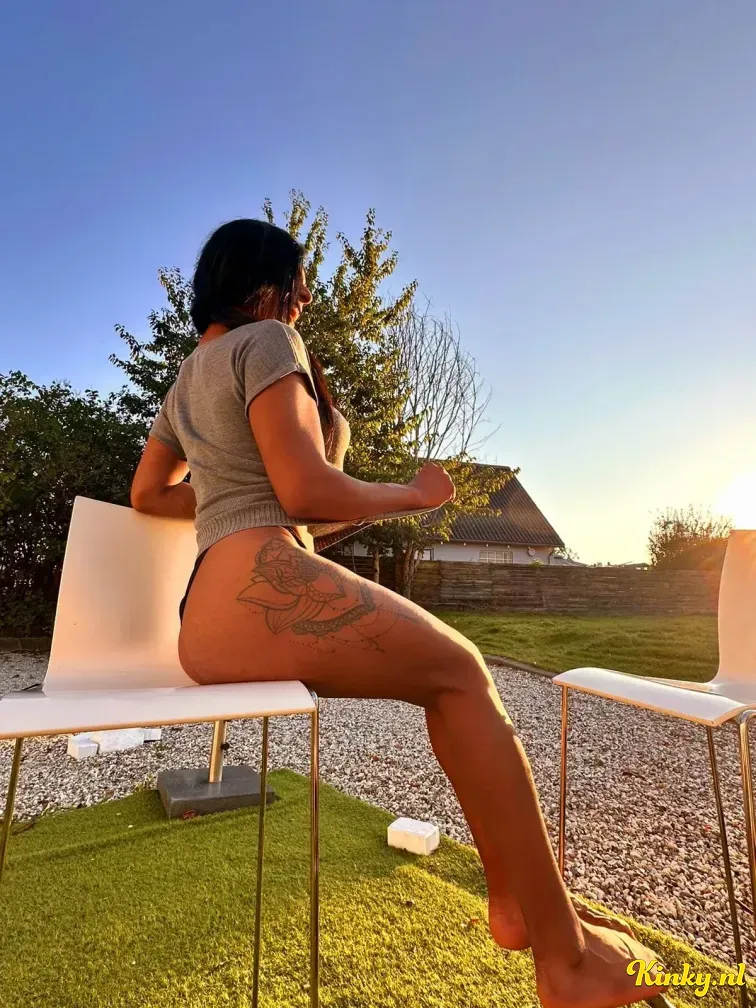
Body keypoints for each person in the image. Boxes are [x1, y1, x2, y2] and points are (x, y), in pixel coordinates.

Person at [130, 218, 668, 1008]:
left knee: (447, 679)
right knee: (463, 673)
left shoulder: (184, 380)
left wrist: (235, 498)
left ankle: (523, 905)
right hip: (261, 586)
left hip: (206, 615)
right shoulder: (270, 341)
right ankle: (567, 958)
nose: (306, 298)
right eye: (298, 283)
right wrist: (413, 494)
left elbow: (149, 494)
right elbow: (306, 493)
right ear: (262, 286)